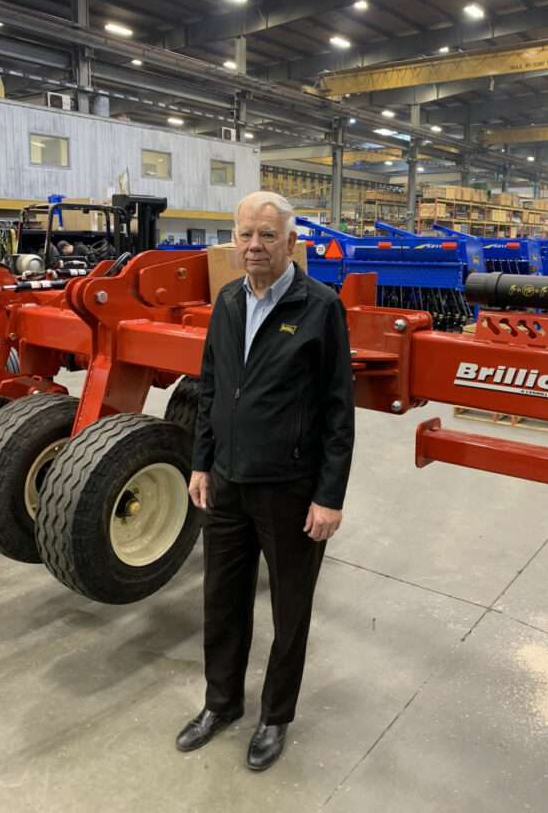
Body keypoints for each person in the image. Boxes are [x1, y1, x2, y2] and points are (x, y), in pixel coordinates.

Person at [176, 191, 355, 771]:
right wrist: (202, 461)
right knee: (221, 600)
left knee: (289, 609)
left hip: (290, 487)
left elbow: (338, 410)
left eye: (267, 236)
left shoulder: (319, 306)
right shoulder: (229, 300)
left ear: (291, 243)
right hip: (227, 482)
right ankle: (221, 703)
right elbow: (210, 386)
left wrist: (329, 496)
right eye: (245, 235)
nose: (254, 246)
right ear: (234, 239)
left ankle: (275, 715)